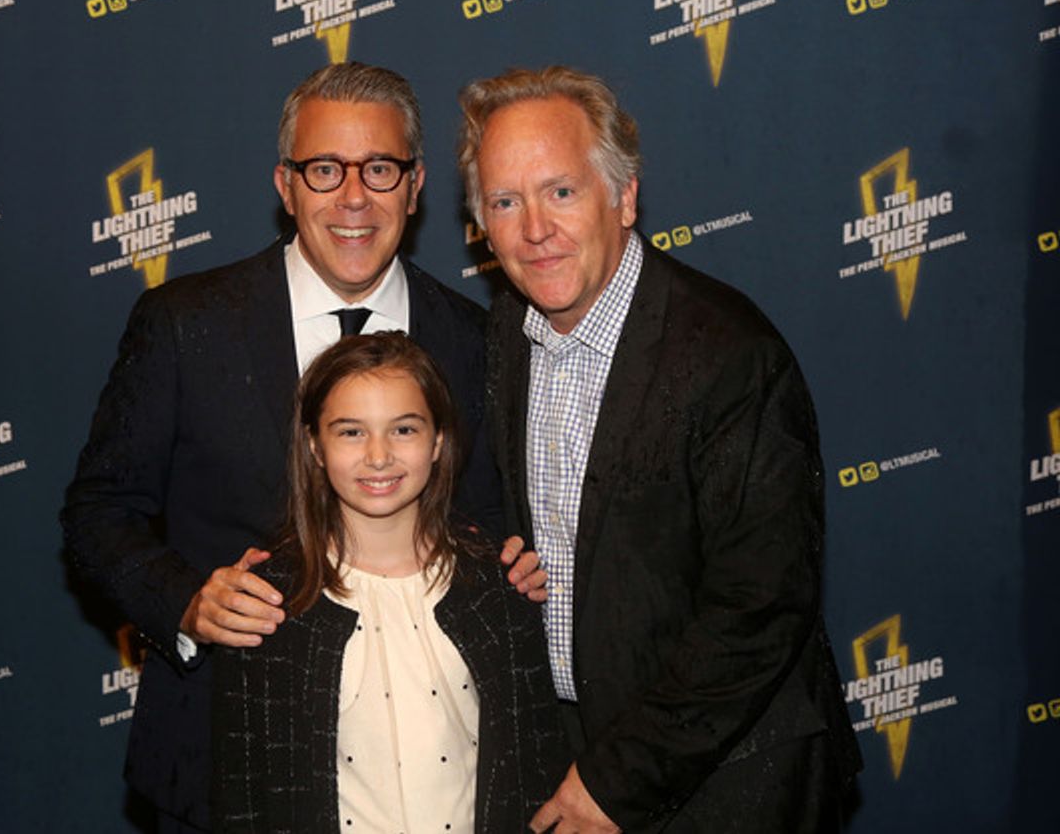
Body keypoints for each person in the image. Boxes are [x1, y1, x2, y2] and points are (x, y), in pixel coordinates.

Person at [61, 62, 543, 833]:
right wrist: (186, 598)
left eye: (380, 169)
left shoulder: (480, 339)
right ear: (285, 185)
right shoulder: (185, 324)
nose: (354, 197)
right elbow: (97, 513)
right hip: (219, 759)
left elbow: (486, 519)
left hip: (436, 769)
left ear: (415, 187)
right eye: (325, 169)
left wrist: (512, 559)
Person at [459, 66, 862, 833]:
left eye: (562, 191)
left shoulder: (729, 356)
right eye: (506, 203)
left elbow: (761, 606)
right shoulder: (508, 337)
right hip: (576, 759)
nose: (535, 228)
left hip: (730, 780)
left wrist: (618, 781)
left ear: (626, 197)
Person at [212, 332, 565, 832]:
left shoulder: (498, 589)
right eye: (351, 432)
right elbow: (242, 801)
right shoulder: (266, 606)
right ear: (314, 444)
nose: (378, 456)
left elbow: (534, 775)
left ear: (439, 440)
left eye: (403, 430)